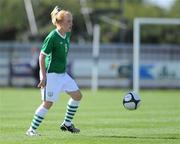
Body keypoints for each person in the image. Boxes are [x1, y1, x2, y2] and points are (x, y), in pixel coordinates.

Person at [26, 6, 83, 136]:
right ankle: (31, 130)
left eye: (71, 21)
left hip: (62, 74)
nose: (71, 24)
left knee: (77, 96)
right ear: (60, 23)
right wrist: (43, 76)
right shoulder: (52, 36)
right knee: (48, 103)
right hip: (51, 75)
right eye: (68, 21)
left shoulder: (67, 34)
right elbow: (42, 55)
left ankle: (67, 124)